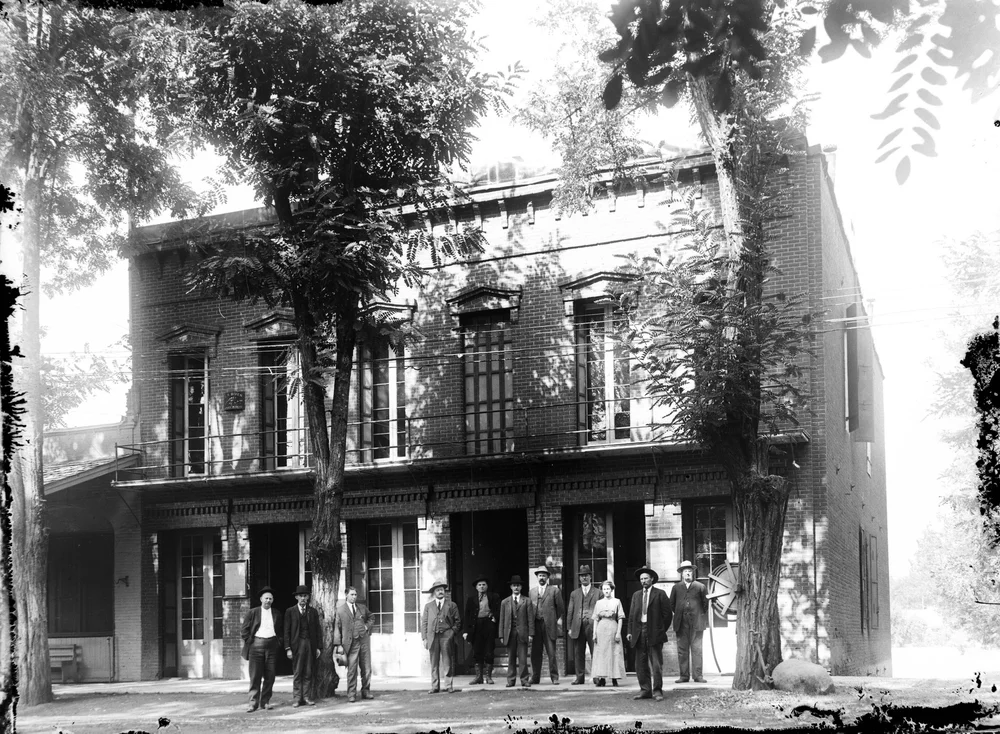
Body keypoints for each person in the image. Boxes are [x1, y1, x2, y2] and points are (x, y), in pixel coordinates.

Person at [626, 566, 672, 701]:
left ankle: (657, 691)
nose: (643, 581)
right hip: (639, 632)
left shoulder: (660, 594)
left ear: (652, 579)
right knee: (640, 663)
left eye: (646, 578)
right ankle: (645, 690)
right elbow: (632, 615)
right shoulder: (636, 595)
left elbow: (667, 615)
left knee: (656, 663)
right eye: (641, 579)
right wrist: (630, 631)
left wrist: (660, 629)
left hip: (654, 632)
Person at [240, 586, 283, 712]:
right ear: (261, 599)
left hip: (272, 646)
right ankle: (253, 703)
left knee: (270, 675)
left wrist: (278, 642)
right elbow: (244, 630)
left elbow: (280, 630)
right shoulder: (252, 612)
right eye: (266, 598)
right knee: (255, 676)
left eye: (270, 598)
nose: (268, 601)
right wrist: (251, 643)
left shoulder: (276, 613)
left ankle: (265, 702)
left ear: (273, 600)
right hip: (256, 645)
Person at [670, 560, 710, 684]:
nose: (688, 573)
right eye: (685, 571)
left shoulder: (700, 587)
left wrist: (697, 614)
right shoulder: (676, 587)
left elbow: (705, 604)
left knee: (697, 649)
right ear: (682, 574)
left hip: (696, 623)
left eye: (689, 571)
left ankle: (698, 676)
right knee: (682, 649)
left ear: (693, 573)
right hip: (681, 623)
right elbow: (672, 604)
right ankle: (684, 676)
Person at [332, 586, 373, 703]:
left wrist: (367, 626)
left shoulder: (362, 608)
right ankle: (351, 694)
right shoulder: (340, 610)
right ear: (346, 595)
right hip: (350, 644)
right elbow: (337, 628)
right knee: (352, 669)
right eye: (352, 594)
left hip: (364, 641)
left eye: (355, 595)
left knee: (366, 667)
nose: (354, 597)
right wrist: (338, 644)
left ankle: (366, 691)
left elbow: (371, 617)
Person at [420, 579, 461, 694]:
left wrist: (451, 633)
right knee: (434, 663)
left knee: (447, 662)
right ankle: (434, 686)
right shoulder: (428, 606)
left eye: (442, 589)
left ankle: (448, 686)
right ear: (434, 593)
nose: (440, 592)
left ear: (444, 591)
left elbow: (458, 622)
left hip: (446, 636)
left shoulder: (451, 605)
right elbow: (424, 623)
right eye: (437, 590)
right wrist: (424, 638)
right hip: (432, 637)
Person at [284, 584, 322, 707]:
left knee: (308, 672)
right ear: (296, 597)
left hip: (310, 645)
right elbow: (286, 631)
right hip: (297, 645)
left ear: (308, 597)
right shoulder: (290, 611)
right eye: (300, 596)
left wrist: (318, 647)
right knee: (297, 672)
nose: (303, 598)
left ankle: (306, 697)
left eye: (305, 596)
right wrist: (288, 648)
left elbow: (317, 630)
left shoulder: (313, 612)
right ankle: (296, 698)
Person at [529, 564, 564, 685]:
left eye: (544, 575)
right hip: (536, 625)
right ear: (537, 577)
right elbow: (529, 610)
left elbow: (560, 608)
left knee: (551, 653)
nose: (541, 578)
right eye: (539, 575)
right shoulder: (532, 592)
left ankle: (554, 677)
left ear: (547, 577)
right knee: (535, 653)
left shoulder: (554, 590)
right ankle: (535, 677)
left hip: (549, 625)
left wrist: (552, 619)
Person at [462, 574, 501, 685]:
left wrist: (494, 617)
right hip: (476, 626)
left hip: (489, 625)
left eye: (484, 584)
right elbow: (467, 616)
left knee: (489, 651)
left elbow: (499, 610)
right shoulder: (471, 599)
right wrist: (465, 631)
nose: (482, 586)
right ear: (476, 587)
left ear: (487, 586)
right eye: (479, 585)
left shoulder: (494, 597)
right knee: (477, 651)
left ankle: (488, 677)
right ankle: (478, 677)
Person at [498, 574, 534, 688]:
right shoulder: (505, 602)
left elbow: (530, 619)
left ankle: (524, 680)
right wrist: (501, 635)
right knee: (511, 658)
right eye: (514, 586)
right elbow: (502, 620)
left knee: (523, 658)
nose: (516, 588)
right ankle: (511, 680)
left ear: (521, 587)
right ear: (511, 587)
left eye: (518, 585)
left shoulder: (527, 601)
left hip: (523, 633)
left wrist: (531, 634)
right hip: (509, 633)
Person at [567, 564, 600, 685]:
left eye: (586, 575)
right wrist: (569, 628)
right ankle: (579, 677)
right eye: (582, 576)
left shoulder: (598, 593)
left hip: (593, 626)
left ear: (590, 577)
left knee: (595, 652)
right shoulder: (574, 594)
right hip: (578, 626)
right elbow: (570, 611)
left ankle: (596, 676)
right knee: (578, 653)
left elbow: (600, 611)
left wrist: (599, 628)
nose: (584, 578)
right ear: (579, 578)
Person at [590, 580, 626, 687]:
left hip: (613, 627)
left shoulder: (617, 601)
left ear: (612, 589)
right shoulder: (598, 603)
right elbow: (596, 619)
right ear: (602, 590)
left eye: (608, 589)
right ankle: (602, 678)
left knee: (614, 652)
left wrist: (618, 633)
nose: (606, 591)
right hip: (601, 629)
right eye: (604, 589)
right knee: (601, 653)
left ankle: (614, 678)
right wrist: (594, 633)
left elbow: (620, 618)